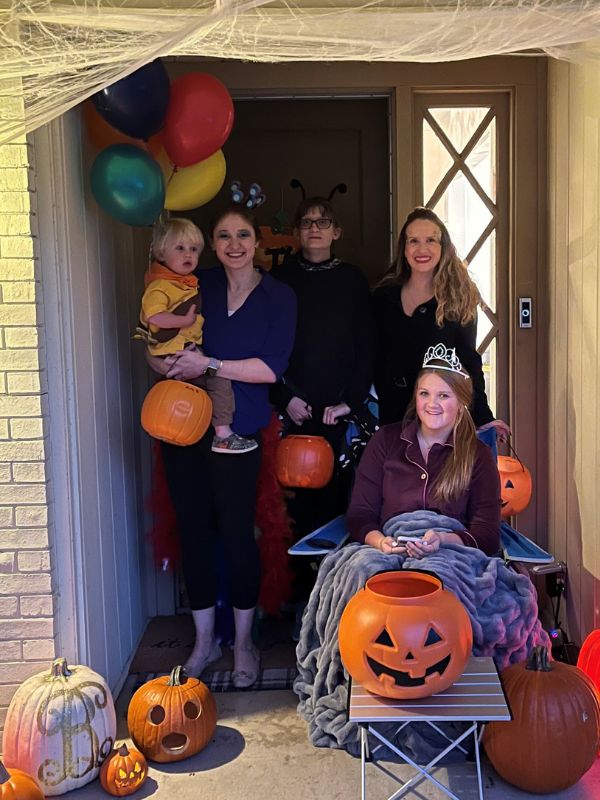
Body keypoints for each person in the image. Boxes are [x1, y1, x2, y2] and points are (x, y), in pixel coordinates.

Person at [147, 204, 297, 687]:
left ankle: (245, 642)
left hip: (241, 431)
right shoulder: (196, 285)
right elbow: (158, 336)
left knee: (237, 534)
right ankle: (204, 640)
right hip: (184, 428)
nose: (235, 244)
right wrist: (165, 363)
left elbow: (269, 369)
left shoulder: (279, 297)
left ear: (257, 242)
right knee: (194, 531)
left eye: (244, 235)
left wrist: (208, 364)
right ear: (213, 243)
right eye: (224, 235)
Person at [272, 195, 375, 597]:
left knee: (338, 505)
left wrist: (350, 399)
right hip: (293, 409)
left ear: (337, 232)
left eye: (323, 221)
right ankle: (297, 598)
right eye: (307, 222)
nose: (314, 228)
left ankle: (335, 599)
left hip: (339, 412)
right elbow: (267, 346)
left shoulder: (352, 279)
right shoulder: (280, 280)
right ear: (297, 232)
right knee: (293, 509)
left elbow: (366, 344)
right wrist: (283, 398)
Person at [346, 344, 501, 557]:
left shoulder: (478, 454)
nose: (432, 404)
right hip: (384, 551)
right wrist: (381, 543)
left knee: (437, 582)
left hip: (451, 554)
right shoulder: (385, 441)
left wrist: (442, 540)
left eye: (444, 396)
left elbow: (487, 535)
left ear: (462, 402)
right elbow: (360, 514)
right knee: (366, 577)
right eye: (424, 394)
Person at [372, 206, 509, 438]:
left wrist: (484, 417)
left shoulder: (459, 298)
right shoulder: (383, 295)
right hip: (387, 416)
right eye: (413, 241)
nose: (422, 249)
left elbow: (468, 361)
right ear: (404, 249)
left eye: (431, 240)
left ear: (443, 247)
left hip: (437, 418)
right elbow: (368, 352)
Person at [138, 216, 257, 454]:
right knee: (218, 377)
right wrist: (184, 321)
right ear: (162, 253)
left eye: (193, 249)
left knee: (207, 380)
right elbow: (154, 317)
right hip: (173, 353)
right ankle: (223, 433)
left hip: (186, 352)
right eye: (180, 249)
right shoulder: (160, 285)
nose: (188, 255)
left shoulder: (187, 283)